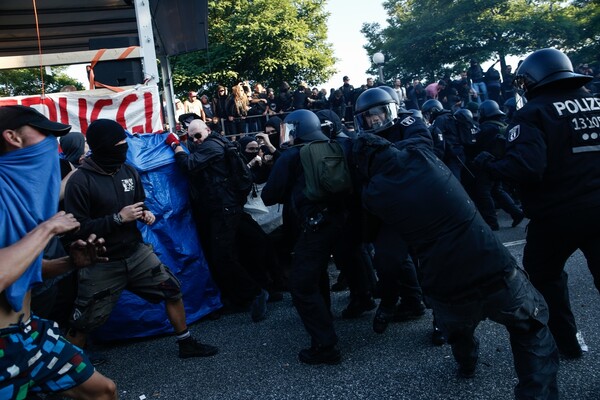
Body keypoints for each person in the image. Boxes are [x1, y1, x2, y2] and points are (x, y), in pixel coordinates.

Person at [352, 130, 559, 398]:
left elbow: (385, 251)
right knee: (532, 330)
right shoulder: (422, 155)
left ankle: (467, 364)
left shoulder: (373, 194)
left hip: (446, 285)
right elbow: (417, 136)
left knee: (459, 332)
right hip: (493, 266)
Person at [474, 48, 600, 359]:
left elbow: (527, 168)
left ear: (532, 81)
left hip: (559, 215)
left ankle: (567, 342)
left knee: (545, 276)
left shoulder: (533, 112)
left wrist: (491, 165)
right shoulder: (597, 102)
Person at [64, 119, 218, 358]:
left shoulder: (128, 170)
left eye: (125, 143)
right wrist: (117, 219)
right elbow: (76, 228)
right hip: (102, 262)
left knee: (172, 289)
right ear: (103, 146)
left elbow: (138, 202)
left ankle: (186, 343)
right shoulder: (80, 181)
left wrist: (144, 212)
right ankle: (70, 369)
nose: (124, 147)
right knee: (84, 319)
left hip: (136, 253)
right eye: (119, 144)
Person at [0, 105, 117, 399]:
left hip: (30, 333)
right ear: (13, 137)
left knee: (104, 391)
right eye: (45, 135)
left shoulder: (16, 194)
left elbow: (21, 268)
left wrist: (69, 263)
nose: (52, 145)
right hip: (2, 348)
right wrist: (47, 229)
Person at [261, 109, 348, 365]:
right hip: (339, 221)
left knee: (301, 284)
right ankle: (326, 319)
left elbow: (270, 195)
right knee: (316, 274)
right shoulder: (334, 145)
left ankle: (325, 345)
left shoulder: (290, 155)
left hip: (312, 226)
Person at [167, 119, 270, 322]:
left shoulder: (212, 146)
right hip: (224, 206)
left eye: (198, 135)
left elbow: (188, 164)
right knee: (240, 249)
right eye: (191, 137)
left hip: (224, 208)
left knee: (223, 256)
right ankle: (252, 293)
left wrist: (175, 145)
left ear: (208, 131)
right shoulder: (214, 143)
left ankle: (255, 293)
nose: (195, 140)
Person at [353, 88, 428, 334]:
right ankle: (400, 301)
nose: (374, 120)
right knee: (386, 260)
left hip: (421, 202)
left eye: (378, 114)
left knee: (433, 262)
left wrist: (384, 151)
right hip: (390, 208)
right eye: (368, 117)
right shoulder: (362, 140)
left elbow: (422, 144)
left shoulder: (409, 121)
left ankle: (444, 321)